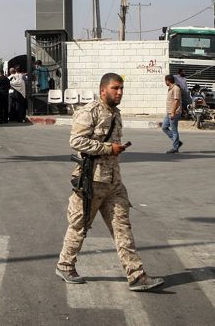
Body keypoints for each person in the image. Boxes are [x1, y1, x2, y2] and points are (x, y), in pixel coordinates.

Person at [56, 72, 164, 291]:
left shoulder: (116, 113)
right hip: (91, 182)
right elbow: (76, 141)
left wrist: (116, 150)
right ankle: (65, 265)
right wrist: (108, 148)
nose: (120, 92)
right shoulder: (89, 112)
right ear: (102, 89)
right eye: (115, 88)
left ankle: (136, 275)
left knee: (122, 227)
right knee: (80, 225)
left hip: (113, 183)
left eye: (122, 88)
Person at [162, 74, 183, 154]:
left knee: (174, 130)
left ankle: (175, 148)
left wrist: (173, 112)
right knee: (164, 127)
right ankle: (177, 142)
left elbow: (176, 101)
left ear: (168, 81)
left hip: (174, 112)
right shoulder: (170, 88)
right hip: (169, 112)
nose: (165, 82)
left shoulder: (176, 88)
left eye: (165, 80)